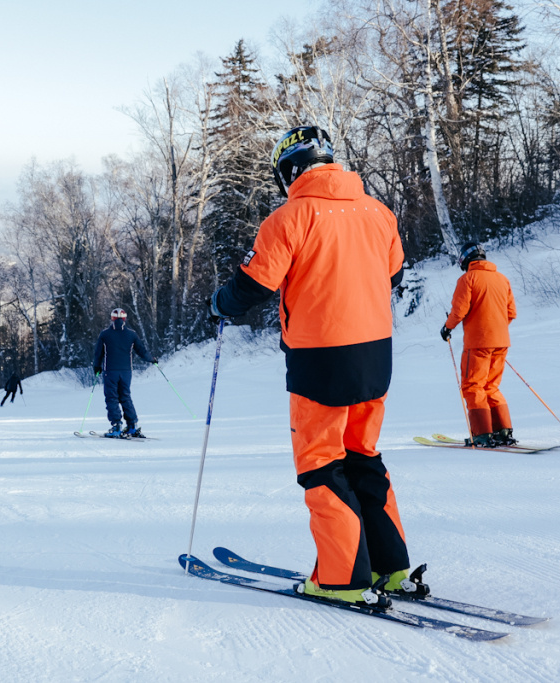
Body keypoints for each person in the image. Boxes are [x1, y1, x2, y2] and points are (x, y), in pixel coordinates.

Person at [209, 125, 412, 609]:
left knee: (321, 462)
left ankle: (341, 578)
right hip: (375, 355)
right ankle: (391, 565)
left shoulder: (290, 217)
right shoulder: (379, 212)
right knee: (363, 455)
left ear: (291, 169)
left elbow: (254, 285)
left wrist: (219, 304)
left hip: (320, 356)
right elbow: (395, 272)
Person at [440, 242, 518, 447]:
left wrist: (447, 327)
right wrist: (495, 331)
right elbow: (511, 313)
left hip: (478, 343)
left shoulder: (468, 279)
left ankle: (482, 434)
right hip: (501, 342)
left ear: (465, 260)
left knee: (473, 385)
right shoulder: (502, 279)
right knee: (491, 386)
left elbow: (459, 311)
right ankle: (503, 431)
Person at [93, 308, 157, 438]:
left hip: (110, 371)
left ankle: (116, 426)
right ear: (125, 319)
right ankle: (132, 425)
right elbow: (141, 351)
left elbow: (98, 353)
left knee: (112, 397)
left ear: (112, 319)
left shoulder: (105, 334)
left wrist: (97, 367)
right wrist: (152, 359)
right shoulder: (131, 334)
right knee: (125, 396)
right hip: (126, 372)